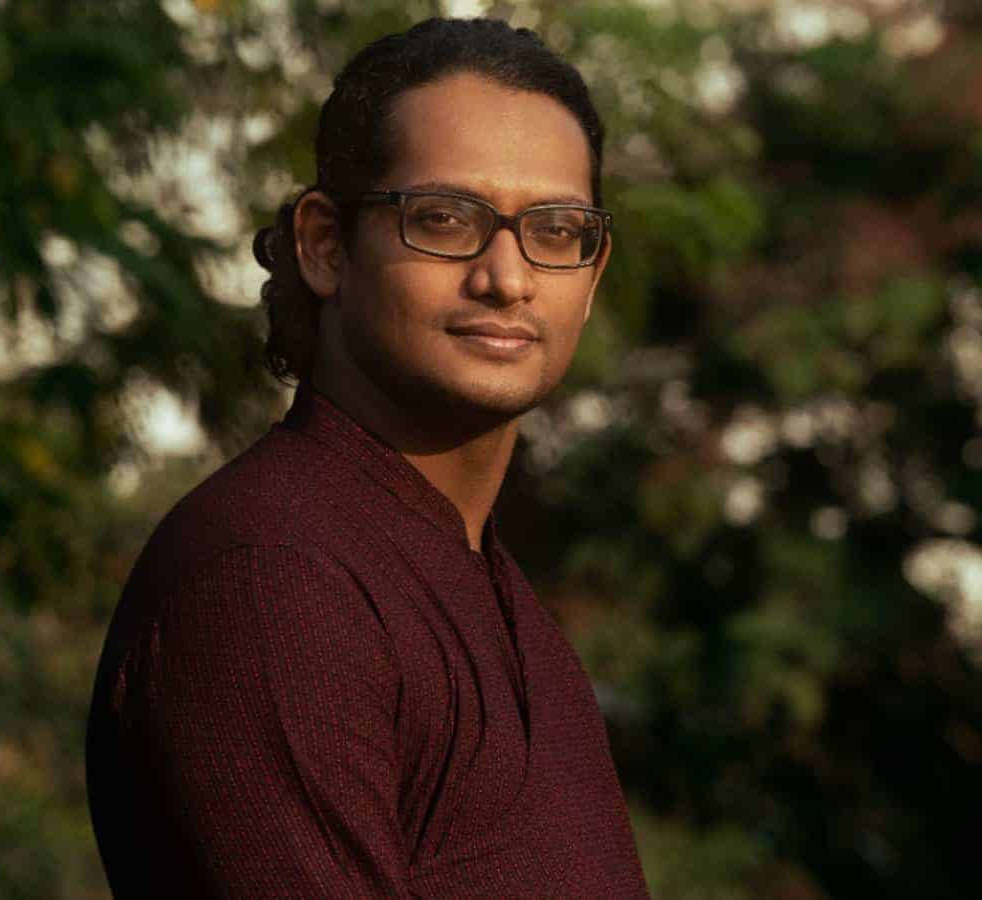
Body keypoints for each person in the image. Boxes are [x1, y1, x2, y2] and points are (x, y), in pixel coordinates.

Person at [85, 17, 651, 898]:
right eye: (445, 219)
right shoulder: (274, 580)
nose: (507, 279)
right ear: (325, 245)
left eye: (555, 229)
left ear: (592, 272)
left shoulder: (495, 596)